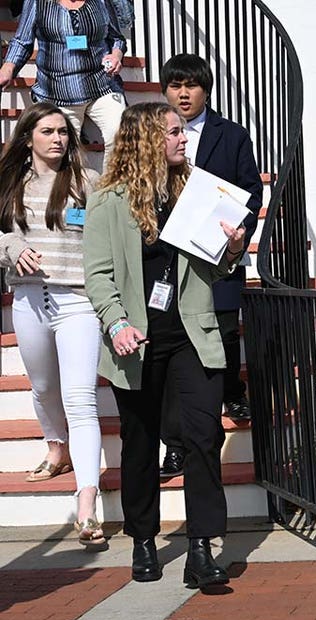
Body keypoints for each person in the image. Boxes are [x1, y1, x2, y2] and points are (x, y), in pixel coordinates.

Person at [83, 101, 247, 586]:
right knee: (139, 443)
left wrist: (233, 248)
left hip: (191, 335)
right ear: (147, 140)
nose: (182, 138)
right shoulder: (108, 201)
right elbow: (99, 276)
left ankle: (200, 549)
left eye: (181, 131)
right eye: (173, 132)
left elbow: (215, 267)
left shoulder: (195, 193)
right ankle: (143, 539)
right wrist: (116, 324)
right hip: (135, 341)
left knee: (202, 437)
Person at [0, 102, 104, 545]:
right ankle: (56, 446)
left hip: (77, 301)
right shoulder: (10, 184)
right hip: (28, 300)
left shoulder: (88, 183)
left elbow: (108, 238)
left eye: (64, 131)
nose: (59, 139)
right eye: (48, 131)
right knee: (43, 388)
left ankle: (87, 505)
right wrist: (10, 247)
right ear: (28, 138)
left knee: (81, 399)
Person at [156, 53, 263, 478]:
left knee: (220, 332)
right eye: (175, 85)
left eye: (191, 85)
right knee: (169, 349)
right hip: (166, 258)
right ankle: (175, 444)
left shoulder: (231, 135)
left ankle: (230, 393)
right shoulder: (154, 134)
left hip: (217, 252)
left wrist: (232, 229)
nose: (183, 93)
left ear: (206, 89)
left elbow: (251, 192)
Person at [0, 0, 128, 159]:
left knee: (123, 134)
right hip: (57, 92)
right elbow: (22, 41)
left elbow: (117, 38)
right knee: (63, 155)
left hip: (101, 86)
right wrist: (8, 67)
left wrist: (116, 55)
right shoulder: (38, 3)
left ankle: (114, 182)